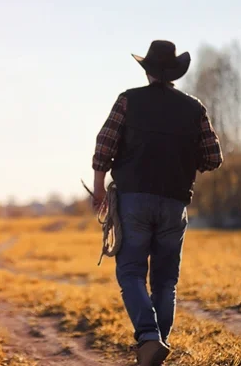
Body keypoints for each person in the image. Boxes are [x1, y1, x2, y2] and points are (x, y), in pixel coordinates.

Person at [90, 40, 223, 366]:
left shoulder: (128, 101)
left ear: (148, 71)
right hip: (174, 205)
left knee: (131, 272)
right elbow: (213, 158)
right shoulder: (194, 108)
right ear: (174, 73)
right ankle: (156, 346)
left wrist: (99, 190)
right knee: (166, 281)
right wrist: (182, 161)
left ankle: (149, 338)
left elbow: (104, 145)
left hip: (133, 201)